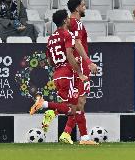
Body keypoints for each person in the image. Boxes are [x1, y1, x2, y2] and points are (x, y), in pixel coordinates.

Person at [29, 9, 98, 145]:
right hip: (67, 75)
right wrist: (79, 73)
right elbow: (69, 55)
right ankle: (43, 104)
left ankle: (81, 137)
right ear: (65, 20)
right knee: (75, 108)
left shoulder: (51, 38)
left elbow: (49, 61)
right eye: (67, 18)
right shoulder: (67, 34)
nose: (69, 20)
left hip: (57, 75)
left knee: (72, 108)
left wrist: (61, 65)